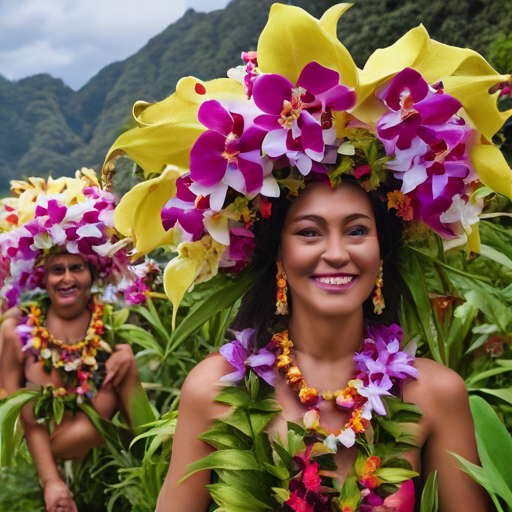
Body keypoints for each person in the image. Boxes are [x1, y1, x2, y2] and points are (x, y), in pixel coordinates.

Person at [101, 4, 511, 511]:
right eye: (309, 232)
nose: (336, 253)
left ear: (384, 249)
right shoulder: (215, 389)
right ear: (277, 253)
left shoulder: (435, 395)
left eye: (357, 230)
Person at [0, 171, 152, 512]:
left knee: (124, 361)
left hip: (111, 474)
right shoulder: (16, 329)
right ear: (42, 276)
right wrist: (51, 482)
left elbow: (140, 429)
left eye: (77, 268)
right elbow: (16, 415)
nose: (67, 277)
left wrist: (130, 374)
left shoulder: (112, 330)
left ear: (93, 273)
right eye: (57, 270)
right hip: (31, 469)